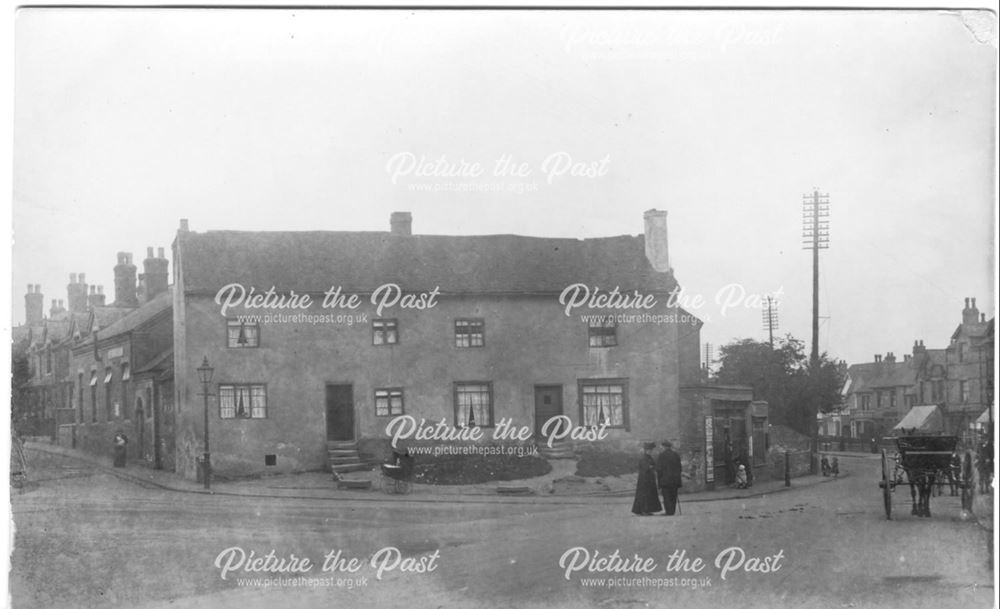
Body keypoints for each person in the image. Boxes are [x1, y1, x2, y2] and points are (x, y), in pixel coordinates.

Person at [631, 442, 662, 516]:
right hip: (645, 480)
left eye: (651, 450)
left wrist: (652, 467)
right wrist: (651, 467)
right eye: (649, 450)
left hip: (648, 479)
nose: (650, 451)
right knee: (645, 495)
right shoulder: (644, 458)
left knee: (648, 495)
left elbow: (652, 465)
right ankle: (644, 510)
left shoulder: (649, 457)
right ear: (646, 450)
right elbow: (645, 468)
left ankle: (647, 510)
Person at [655, 440, 683, 515]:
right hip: (675, 480)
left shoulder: (662, 455)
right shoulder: (676, 455)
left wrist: (659, 480)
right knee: (673, 496)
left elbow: (659, 469)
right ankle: (672, 511)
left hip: (665, 480)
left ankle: (669, 512)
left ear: (664, 447)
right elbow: (680, 468)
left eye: (662, 446)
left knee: (666, 496)